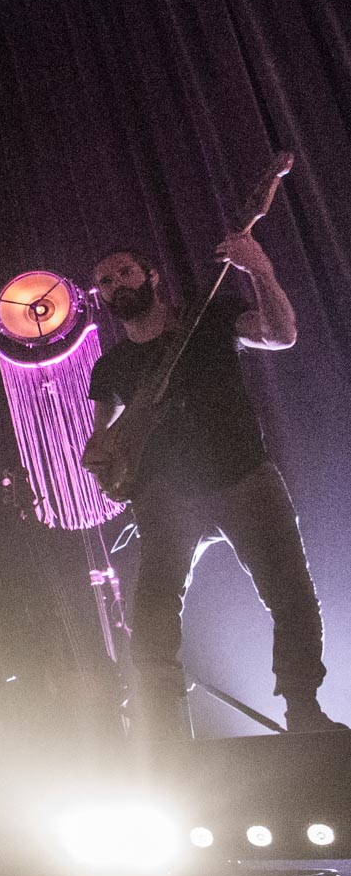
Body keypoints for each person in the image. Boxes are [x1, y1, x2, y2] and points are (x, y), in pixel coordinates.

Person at [84, 235, 343, 738]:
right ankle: (165, 723)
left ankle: (303, 709)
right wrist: (102, 461)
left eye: (125, 272)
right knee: (155, 603)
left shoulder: (209, 317)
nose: (117, 285)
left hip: (242, 472)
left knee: (290, 592)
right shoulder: (110, 367)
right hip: (165, 494)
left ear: (152, 276)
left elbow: (281, 334)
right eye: (106, 282)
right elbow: (103, 438)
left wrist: (260, 270)